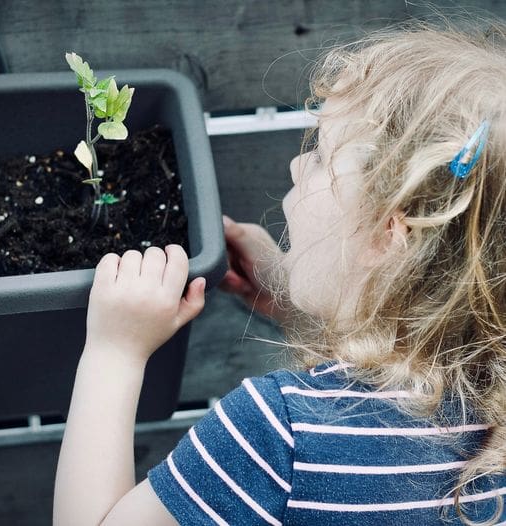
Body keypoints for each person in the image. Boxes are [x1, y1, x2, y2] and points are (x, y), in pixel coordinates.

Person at [53, 22, 506, 526]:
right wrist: (292, 308)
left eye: (321, 156)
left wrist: (114, 351)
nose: (295, 166)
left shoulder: (278, 435)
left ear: (385, 237)